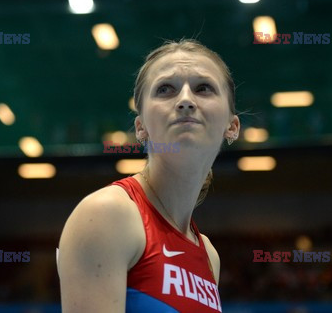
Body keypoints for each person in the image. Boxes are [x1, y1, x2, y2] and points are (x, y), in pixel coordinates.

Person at [57, 39, 240, 313]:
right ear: (140, 127)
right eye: (166, 89)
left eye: (203, 88)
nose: (186, 100)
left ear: (232, 126)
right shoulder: (108, 214)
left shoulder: (209, 255)